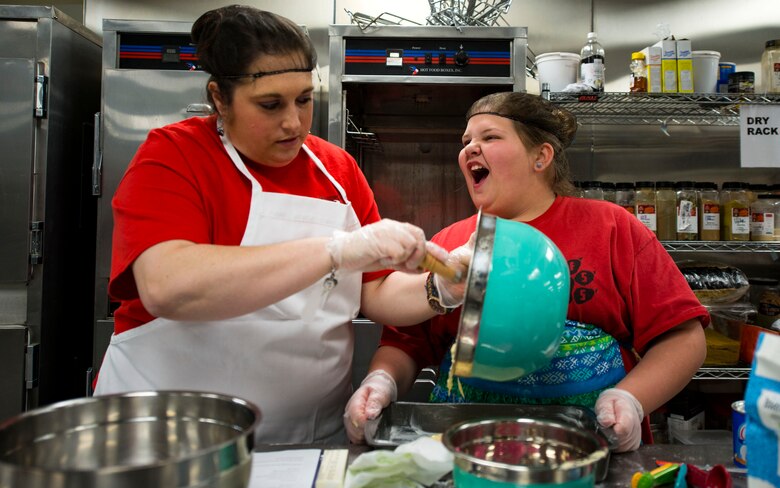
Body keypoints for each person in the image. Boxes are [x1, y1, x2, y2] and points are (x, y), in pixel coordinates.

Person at [94, 5, 467, 445]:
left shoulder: (336, 169)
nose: (293, 122)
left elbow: (377, 292)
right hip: (171, 437)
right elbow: (168, 285)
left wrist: (441, 289)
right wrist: (337, 251)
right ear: (219, 97)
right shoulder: (175, 156)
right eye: (270, 105)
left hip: (308, 435)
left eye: (304, 100)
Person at [344, 91, 709, 452]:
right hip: (469, 446)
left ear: (541, 156)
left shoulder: (612, 227)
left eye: (490, 137)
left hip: (591, 444)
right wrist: (381, 383)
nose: (470, 148)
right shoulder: (451, 243)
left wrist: (631, 399)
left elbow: (683, 338)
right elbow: (405, 343)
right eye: (466, 140)